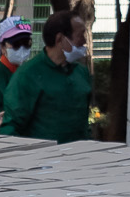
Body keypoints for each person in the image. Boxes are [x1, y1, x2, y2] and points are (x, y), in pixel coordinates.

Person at [5, 10, 94, 144]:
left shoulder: (81, 72)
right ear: (60, 39)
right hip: (42, 158)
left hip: (80, 157)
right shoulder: (28, 75)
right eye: (80, 35)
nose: (84, 40)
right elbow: (11, 126)